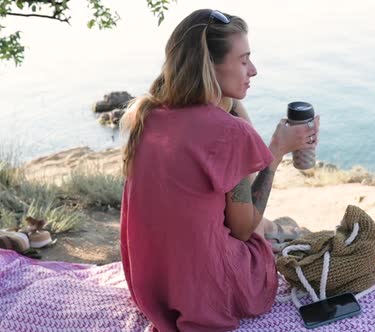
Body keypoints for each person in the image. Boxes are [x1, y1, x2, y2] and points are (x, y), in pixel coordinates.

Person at [119, 9, 320, 332]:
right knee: (260, 237)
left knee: (258, 224)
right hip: (207, 291)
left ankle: (277, 229)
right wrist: (276, 151)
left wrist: (236, 112)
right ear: (209, 66)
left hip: (151, 285)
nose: (253, 70)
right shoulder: (228, 133)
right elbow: (243, 229)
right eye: (243, 61)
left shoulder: (148, 116)